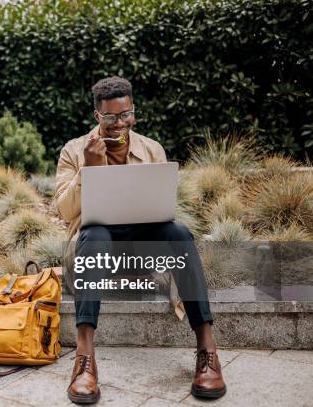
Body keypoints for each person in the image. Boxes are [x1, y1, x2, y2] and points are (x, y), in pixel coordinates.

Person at [54, 77, 226, 404]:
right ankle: (85, 359)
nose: (119, 124)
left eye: (126, 115)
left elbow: (162, 205)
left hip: (141, 247)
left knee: (179, 233)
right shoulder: (74, 151)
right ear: (96, 116)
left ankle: (207, 350)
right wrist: (87, 172)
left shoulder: (151, 148)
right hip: (97, 246)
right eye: (110, 118)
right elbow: (64, 211)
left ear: (133, 112)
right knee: (93, 235)